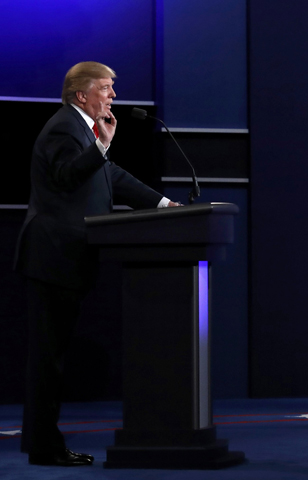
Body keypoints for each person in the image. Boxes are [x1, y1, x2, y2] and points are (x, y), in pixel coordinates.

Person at [13, 62, 181, 466]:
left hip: (64, 258)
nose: (112, 96)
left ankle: (42, 444)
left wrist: (163, 205)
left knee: (53, 358)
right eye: (105, 88)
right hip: (53, 256)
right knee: (47, 360)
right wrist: (101, 146)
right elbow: (67, 176)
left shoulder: (81, 131)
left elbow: (111, 178)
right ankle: (44, 448)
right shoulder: (63, 127)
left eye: (111, 88)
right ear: (80, 95)